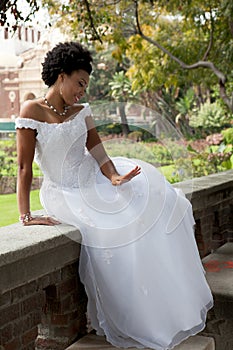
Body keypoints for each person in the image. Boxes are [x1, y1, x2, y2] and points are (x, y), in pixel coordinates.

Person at [16, 41, 213, 350]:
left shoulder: (82, 112)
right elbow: (24, 168)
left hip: (93, 179)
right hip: (63, 191)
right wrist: (25, 215)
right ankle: (132, 314)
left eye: (86, 85)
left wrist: (115, 177)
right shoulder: (31, 111)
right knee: (114, 229)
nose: (82, 90)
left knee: (149, 199)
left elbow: (99, 153)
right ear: (61, 75)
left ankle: (158, 307)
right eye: (79, 82)